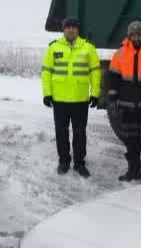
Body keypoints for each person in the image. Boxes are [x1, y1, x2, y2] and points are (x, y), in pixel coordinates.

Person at [42, 17, 102, 177]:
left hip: (80, 100)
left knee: (80, 133)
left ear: (78, 30)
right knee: (61, 133)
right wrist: (47, 93)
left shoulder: (88, 48)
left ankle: (79, 163)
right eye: (68, 27)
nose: (71, 30)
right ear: (63, 30)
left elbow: (95, 72)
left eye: (74, 27)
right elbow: (46, 72)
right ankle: (64, 161)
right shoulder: (53, 48)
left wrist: (95, 93)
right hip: (59, 100)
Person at [108, 21, 141, 182]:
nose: (136, 37)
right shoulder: (120, 53)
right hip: (127, 108)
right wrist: (112, 101)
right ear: (128, 35)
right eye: (133, 34)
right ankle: (134, 171)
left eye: (139, 34)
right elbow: (113, 79)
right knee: (131, 144)